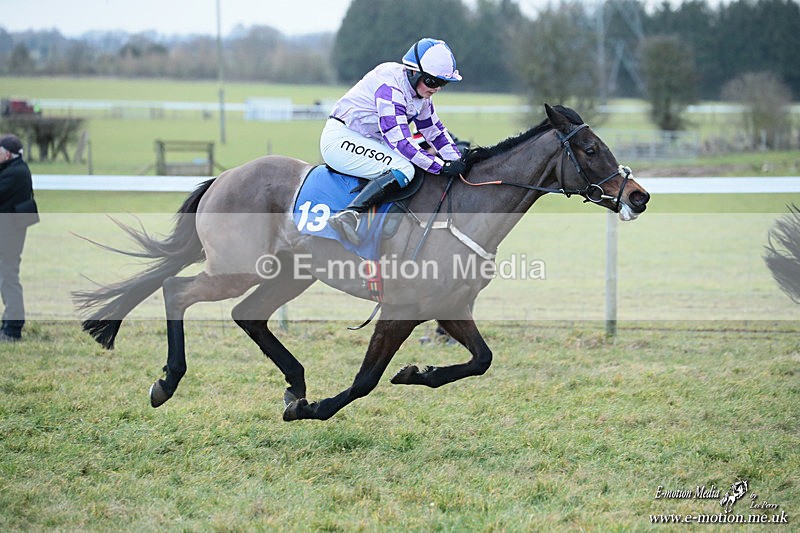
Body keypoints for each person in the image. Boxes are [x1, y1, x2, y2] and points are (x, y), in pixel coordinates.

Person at [321, 37, 467, 245]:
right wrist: (441, 167)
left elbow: (434, 131)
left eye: (442, 83)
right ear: (414, 72)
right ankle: (350, 214)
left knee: (413, 166)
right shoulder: (391, 87)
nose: (436, 89)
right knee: (406, 169)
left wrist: (459, 162)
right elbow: (400, 142)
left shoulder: (419, 94)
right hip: (341, 139)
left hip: (367, 140)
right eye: (432, 82)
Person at [0, 134, 37, 342]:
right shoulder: (12, 170)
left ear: (7, 153)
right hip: (8, 234)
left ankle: (13, 327)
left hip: (8, 237)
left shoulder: (15, 173)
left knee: (8, 279)